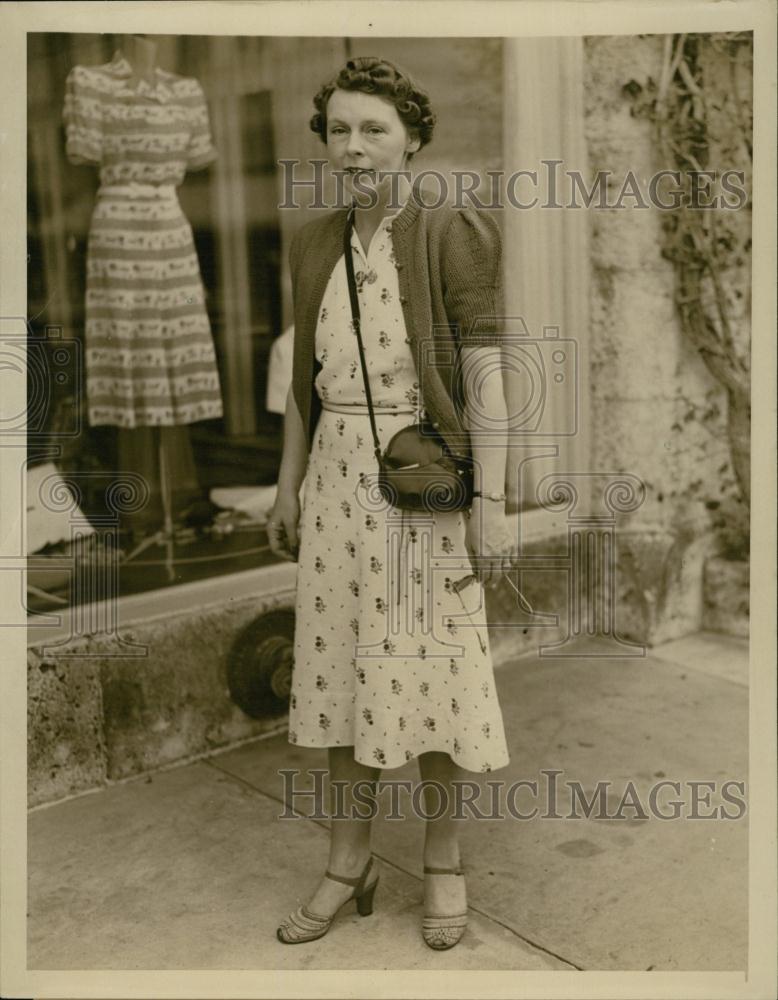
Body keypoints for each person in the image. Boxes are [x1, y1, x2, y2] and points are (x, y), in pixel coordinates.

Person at [268, 55, 515, 951]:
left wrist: (491, 498)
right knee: (339, 670)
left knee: (435, 673)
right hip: (336, 479)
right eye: (338, 129)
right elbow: (304, 379)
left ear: (412, 138)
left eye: (374, 128)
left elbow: (488, 368)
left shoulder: (449, 227)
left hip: (422, 480)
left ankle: (443, 861)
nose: (355, 145)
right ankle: (349, 862)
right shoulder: (312, 241)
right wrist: (287, 480)